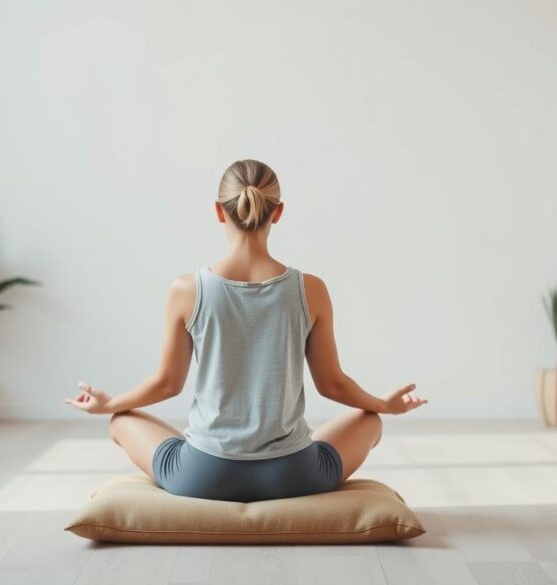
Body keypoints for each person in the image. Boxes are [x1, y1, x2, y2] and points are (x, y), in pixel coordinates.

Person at [67, 159, 427, 502]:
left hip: (204, 474)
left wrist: (110, 403)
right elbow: (332, 384)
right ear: (279, 212)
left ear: (218, 211)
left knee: (121, 420)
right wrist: (384, 404)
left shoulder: (187, 289)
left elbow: (167, 384)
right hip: (293, 474)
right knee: (370, 420)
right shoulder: (310, 289)